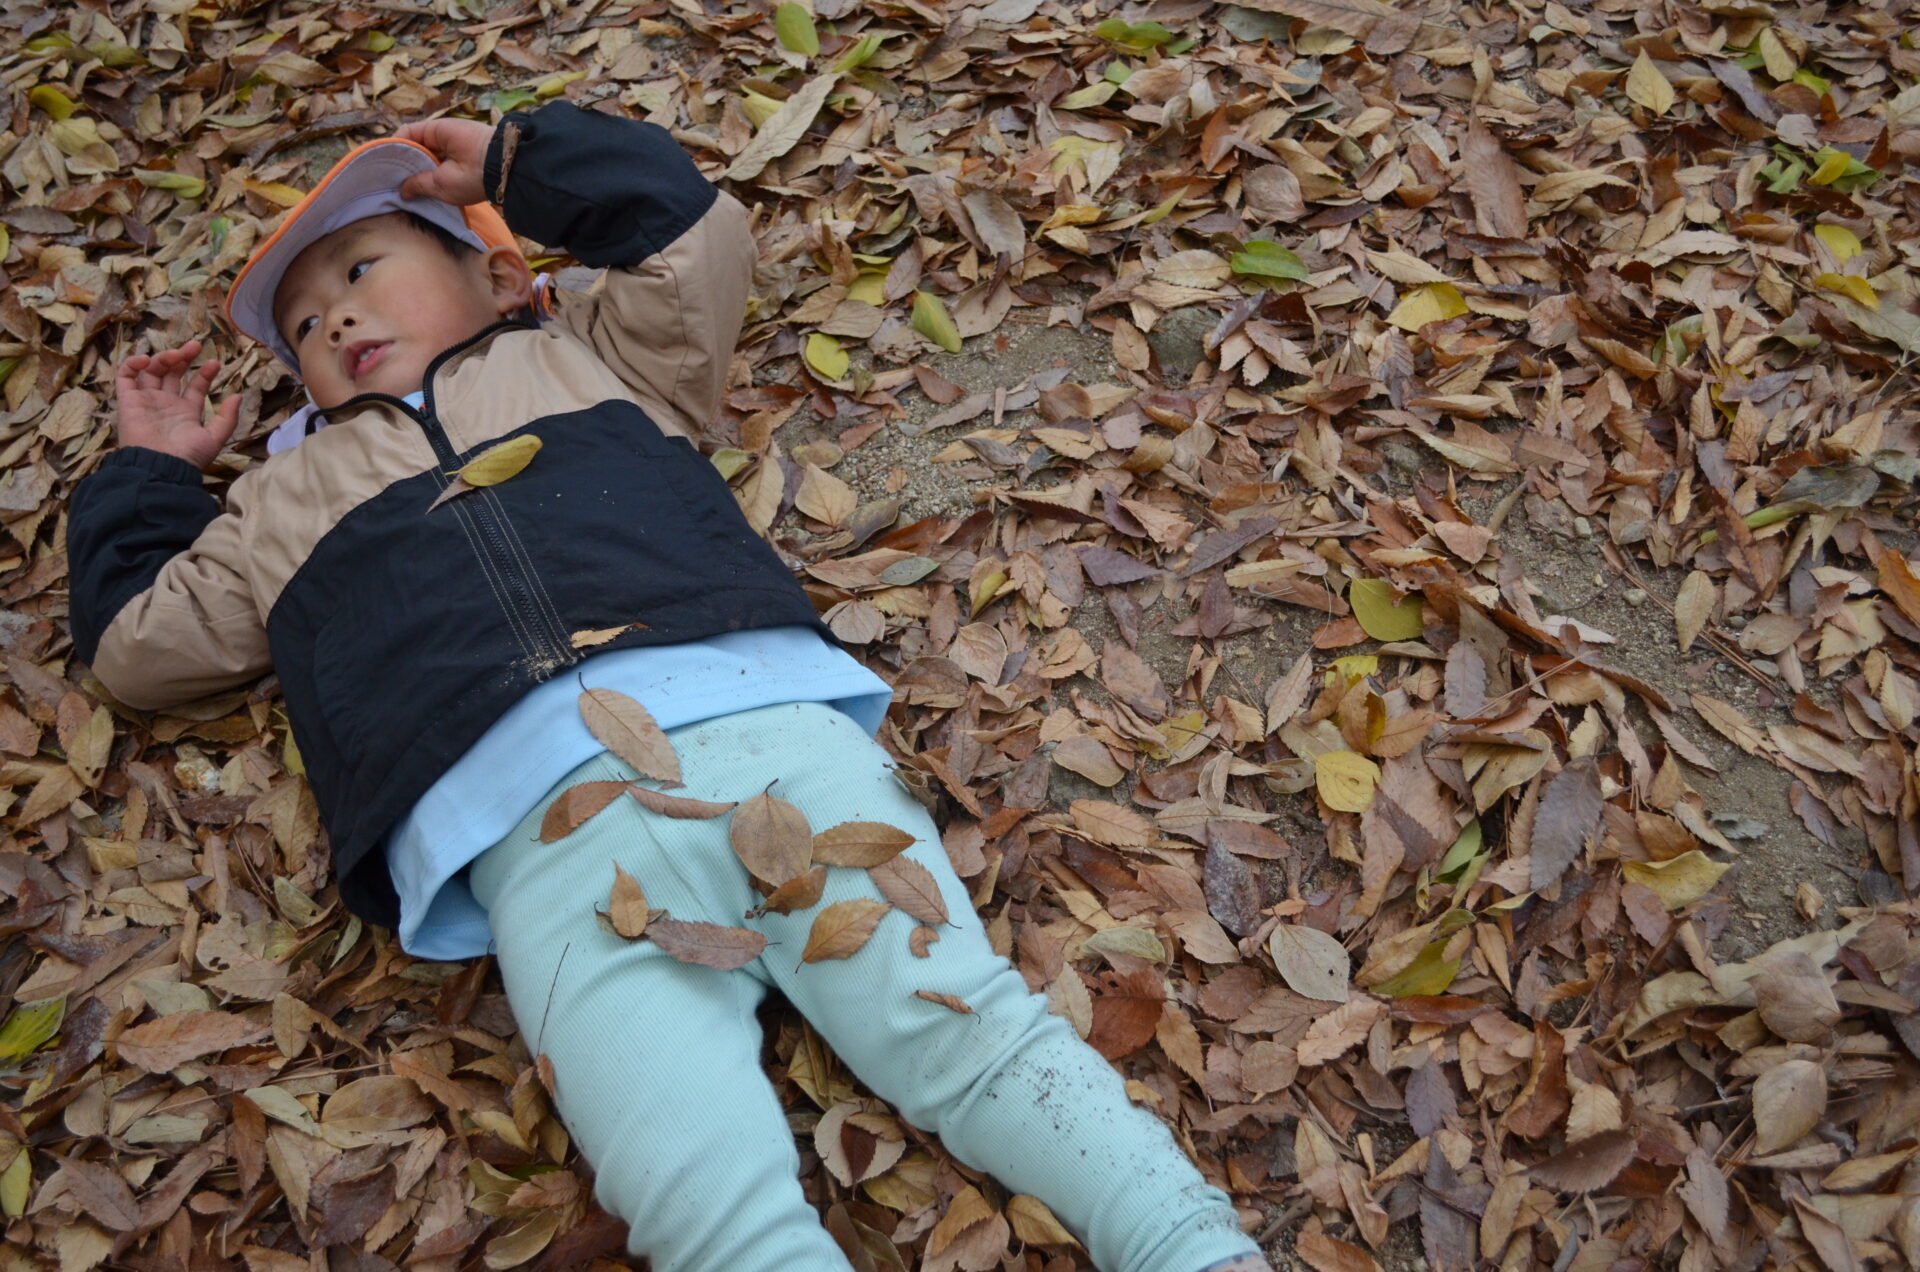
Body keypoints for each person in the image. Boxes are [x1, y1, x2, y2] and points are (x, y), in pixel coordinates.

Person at [66, 100, 1273, 1272]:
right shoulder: (278, 506)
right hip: (538, 851)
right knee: (692, 1193)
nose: (333, 317)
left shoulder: (591, 354)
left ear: (499, 278)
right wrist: (150, 472)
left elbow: (686, 231)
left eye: (363, 269)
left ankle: (1191, 1249)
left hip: (761, 736)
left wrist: (517, 160)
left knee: (968, 1032)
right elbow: (134, 647)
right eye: (303, 325)